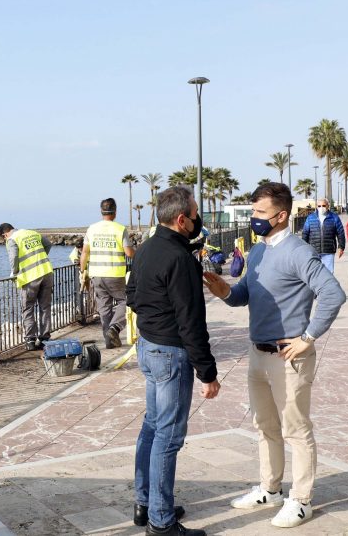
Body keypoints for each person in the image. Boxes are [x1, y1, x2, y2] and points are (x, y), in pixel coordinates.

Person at [202, 182, 345, 529]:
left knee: (296, 429)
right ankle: (270, 489)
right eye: (252, 212)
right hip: (257, 353)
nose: (254, 219)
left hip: (288, 355)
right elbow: (243, 296)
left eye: (260, 213)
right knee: (265, 426)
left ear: (281, 216)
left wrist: (308, 338)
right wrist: (223, 291)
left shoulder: (298, 252)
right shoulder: (259, 251)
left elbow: (333, 294)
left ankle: (302, 499)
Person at [127, 186, 219, 536]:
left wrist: (153, 319)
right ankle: (161, 522)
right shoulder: (180, 259)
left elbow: (133, 296)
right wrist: (207, 372)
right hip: (169, 354)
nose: (199, 219)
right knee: (168, 436)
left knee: (152, 426)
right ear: (182, 219)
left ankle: (146, 503)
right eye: (196, 214)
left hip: (148, 346)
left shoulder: (148, 248)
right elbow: (191, 322)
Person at [81, 199, 135, 349]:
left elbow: (85, 252)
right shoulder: (120, 229)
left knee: (104, 308)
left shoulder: (92, 229)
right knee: (127, 301)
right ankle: (115, 328)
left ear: (101, 211)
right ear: (115, 212)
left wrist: (82, 271)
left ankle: (109, 341)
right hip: (115, 274)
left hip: (96, 274)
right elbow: (129, 252)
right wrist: (141, 258)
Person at [0, 223, 54, 348]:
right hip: (46, 272)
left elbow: (13, 258)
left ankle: (30, 340)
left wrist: (15, 271)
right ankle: (45, 338)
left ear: (5, 234)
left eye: (4, 238)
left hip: (29, 277)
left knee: (28, 308)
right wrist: (39, 259)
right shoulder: (32, 232)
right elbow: (48, 244)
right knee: (45, 307)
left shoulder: (12, 239)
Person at [300, 198, 346, 273]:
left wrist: (341, 247)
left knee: (328, 274)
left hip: (329, 252)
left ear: (328, 206)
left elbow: (340, 233)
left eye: (324, 205)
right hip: (314, 251)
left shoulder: (334, 217)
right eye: (319, 206)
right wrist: (304, 248)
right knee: (314, 273)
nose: (321, 208)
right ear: (316, 207)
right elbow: (305, 233)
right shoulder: (310, 218)